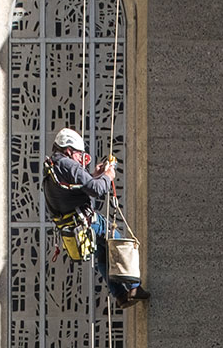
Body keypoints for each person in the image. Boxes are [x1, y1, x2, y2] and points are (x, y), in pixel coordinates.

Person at [43, 127, 149, 308]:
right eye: (78, 154)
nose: (80, 158)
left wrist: (93, 176)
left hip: (75, 225)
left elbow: (74, 189)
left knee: (102, 255)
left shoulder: (54, 166)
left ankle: (120, 295)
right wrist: (108, 175)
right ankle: (134, 287)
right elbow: (97, 189)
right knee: (117, 241)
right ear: (68, 150)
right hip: (87, 221)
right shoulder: (67, 164)